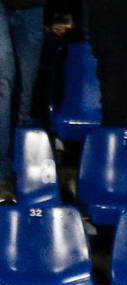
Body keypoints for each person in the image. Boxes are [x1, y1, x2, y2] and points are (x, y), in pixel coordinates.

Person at [0, 0, 43, 204]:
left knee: (24, 90)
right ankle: (2, 174)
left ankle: (21, 169)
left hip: (31, 4)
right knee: (3, 79)